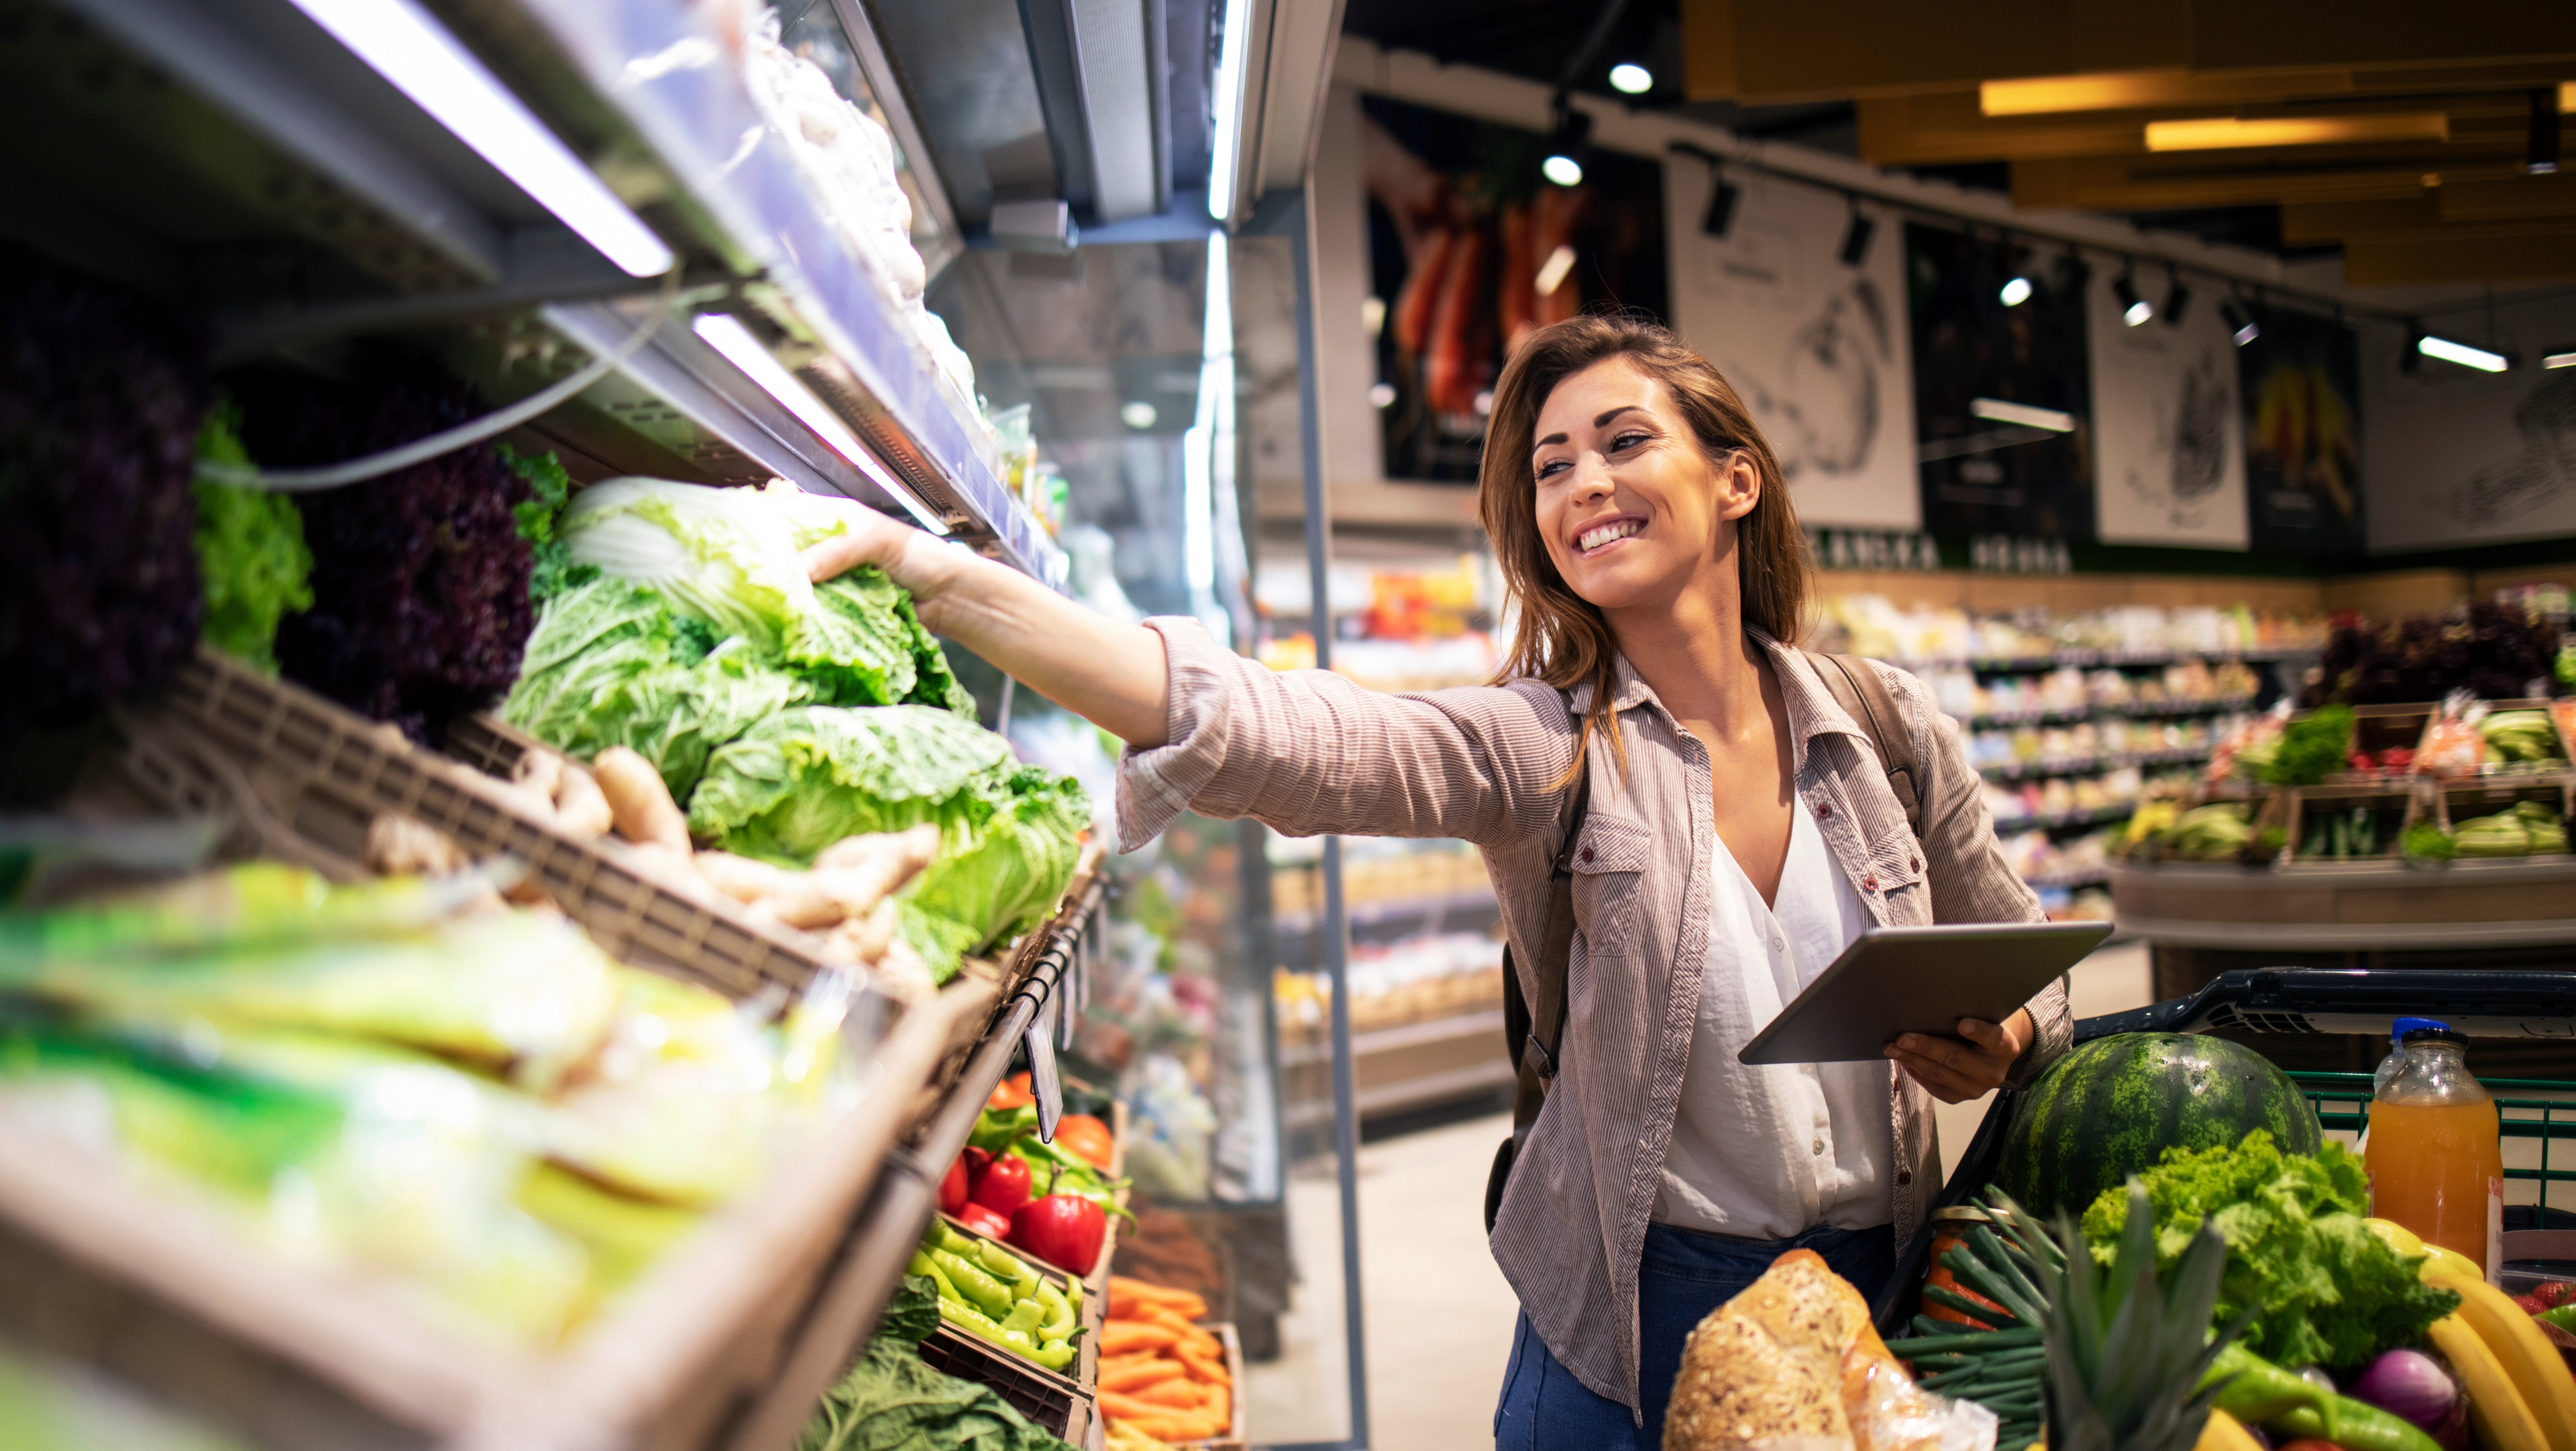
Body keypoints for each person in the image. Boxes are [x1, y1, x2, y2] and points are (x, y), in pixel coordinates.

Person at [800, 315, 2072, 1448]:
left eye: (1623, 442)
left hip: (1884, 1287)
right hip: (1633, 1310)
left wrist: (2006, 1033)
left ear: (1736, 477)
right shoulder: (1548, 743)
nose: (1583, 483)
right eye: (1551, 465)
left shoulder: (1887, 727)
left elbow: (2043, 984)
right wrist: (940, 576)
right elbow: (1287, 734)